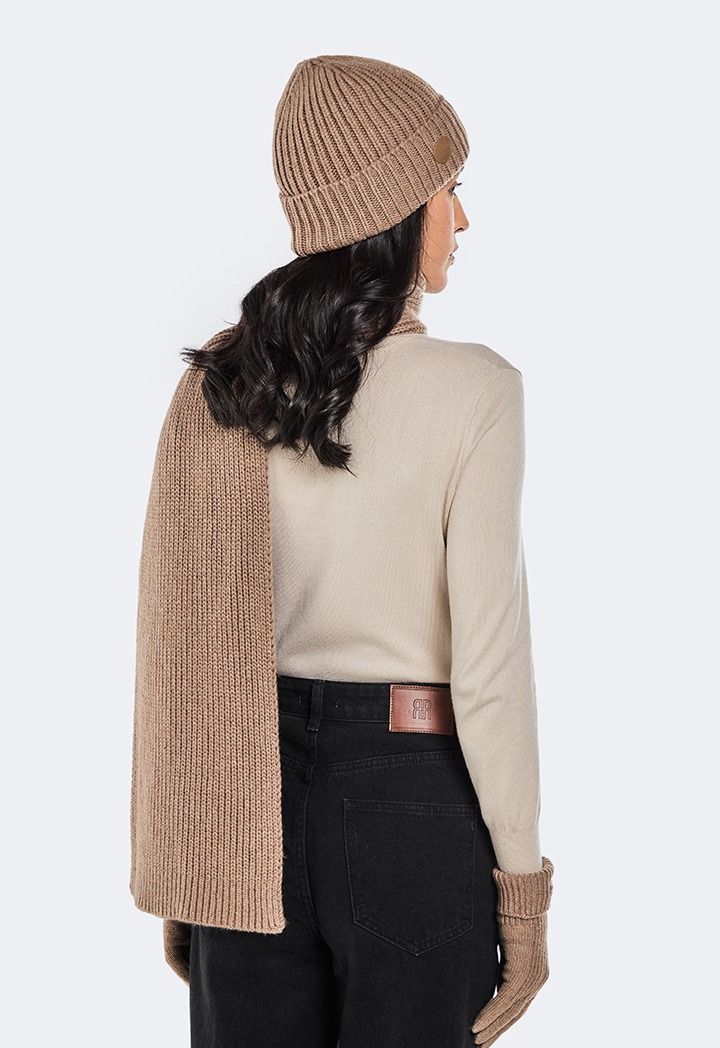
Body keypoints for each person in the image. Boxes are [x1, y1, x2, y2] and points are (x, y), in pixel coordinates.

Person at [130, 54, 555, 1048]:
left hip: (240, 794)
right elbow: (489, 670)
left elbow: (176, 642)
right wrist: (525, 892)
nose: (462, 217)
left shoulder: (222, 386)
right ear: (396, 204)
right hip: (413, 798)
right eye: (449, 186)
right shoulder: (478, 391)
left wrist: (190, 866)